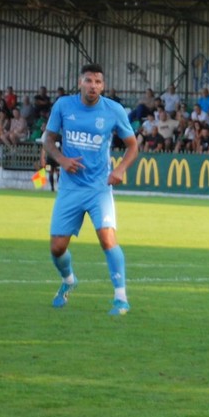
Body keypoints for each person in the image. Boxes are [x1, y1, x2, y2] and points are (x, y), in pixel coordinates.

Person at [43, 63, 139, 316]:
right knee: (57, 248)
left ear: (103, 86)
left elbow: (133, 145)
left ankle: (121, 298)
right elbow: (48, 140)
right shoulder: (64, 106)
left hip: (98, 188)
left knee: (107, 239)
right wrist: (62, 160)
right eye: (89, 81)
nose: (93, 86)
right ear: (80, 83)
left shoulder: (114, 110)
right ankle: (69, 280)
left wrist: (119, 170)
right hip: (70, 189)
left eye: (98, 82)